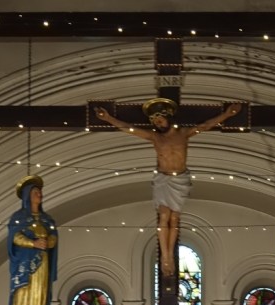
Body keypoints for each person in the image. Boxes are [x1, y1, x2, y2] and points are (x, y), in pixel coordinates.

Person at [95, 98, 242, 277]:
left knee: (174, 218)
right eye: (155, 122)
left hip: (180, 179)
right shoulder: (155, 137)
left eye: (160, 120)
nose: (158, 124)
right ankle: (166, 256)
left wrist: (227, 114)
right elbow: (130, 129)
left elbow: (205, 125)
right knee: (164, 216)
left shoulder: (183, 133)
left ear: (168, 117)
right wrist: (108, 118)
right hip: (163, 179)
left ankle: (170, 254)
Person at [8, 175, 58, 305]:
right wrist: (33, 243)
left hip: (42, 261)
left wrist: (48, 242)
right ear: (27, 195)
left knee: (40, 291)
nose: (39, 195)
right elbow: (15, 237)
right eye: (36, 192)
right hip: (25, 261)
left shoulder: (46, 219)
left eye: (40, 192)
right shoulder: (19, 218)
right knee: (24, 290)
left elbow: (53, 236)